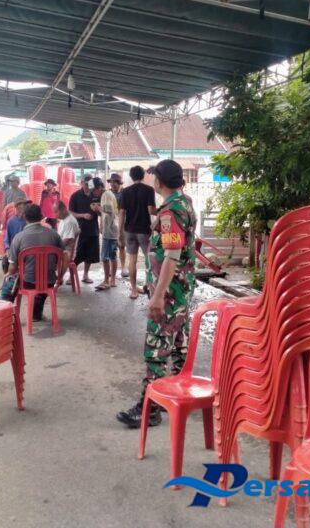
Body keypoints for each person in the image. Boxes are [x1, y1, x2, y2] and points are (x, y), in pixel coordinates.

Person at [117, 160, 196, 429]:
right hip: (182, 289)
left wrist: (159, 295)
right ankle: (176, 396)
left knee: (156, 347)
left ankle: (149, 408)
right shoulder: (185, 203)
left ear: (159, 182)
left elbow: (172, 256)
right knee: (178, 344)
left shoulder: (170, 212)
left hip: (170, 293)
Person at [5, 204, 66, 321]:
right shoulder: (54, 234)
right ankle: (36, 314)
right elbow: (66, 256)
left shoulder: (18, 237)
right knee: (43, 283)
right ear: (41, 216)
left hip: (28, 282)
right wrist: (60, 277)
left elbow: (12, 267)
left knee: (9, 281)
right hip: (49, 281)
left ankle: (6, 315)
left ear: (25, 217)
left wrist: (8, 274)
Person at [118, 165, 156, 299]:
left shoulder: (125, 191)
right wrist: (162, 210)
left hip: (129, 230)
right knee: (148, 260)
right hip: (144, 230)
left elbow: (122, 212)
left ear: (131, 176)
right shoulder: (149, 190)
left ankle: (133, 290)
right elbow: (151, 210)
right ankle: (149, 287)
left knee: (132, 260)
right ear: (143, 176)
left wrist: (120, 232)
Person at [68, 174, 100, 283]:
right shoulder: (75, 196)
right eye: (85, 184)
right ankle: (71, 276)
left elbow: (100, 212)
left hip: (93, 228)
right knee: (78, 253)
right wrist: (83, 215)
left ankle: (86, 275)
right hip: (80, 229)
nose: (87, 186)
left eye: (89, 184)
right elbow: (70, 212)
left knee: (91, 254)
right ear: (81, 183)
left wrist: (98, 210)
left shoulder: (95, 195)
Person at [96, 177, 119, 291]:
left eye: (95, 190)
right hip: (112, 229)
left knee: (105, 257)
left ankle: (106, 280)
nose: (95, 193)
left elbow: (108, 209)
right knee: (112, 256)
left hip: (110, 230)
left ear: (100, 187)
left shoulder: (106, 195)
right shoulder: (109, 194)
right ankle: (112, 280)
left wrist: (98, 208)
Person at [108, 173, 127, 278]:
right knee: (111, 247)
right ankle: (112, 268)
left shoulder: (124, 193)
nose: (113, 184)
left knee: (121, 246)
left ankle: (123, 267)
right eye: (112, 182)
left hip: (122, 222)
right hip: (110, 223)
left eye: (115, 182)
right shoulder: (107, 194)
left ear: (119, 183)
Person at [2, 199, 28, 274]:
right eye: (20, 207)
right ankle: (8, 278)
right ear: (16, 208)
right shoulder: (11, 221)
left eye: (24, 206)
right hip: (15, 248)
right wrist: (7, 249)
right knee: (5, 261)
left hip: (26, 247)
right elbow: (7, 239)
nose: (22, 209)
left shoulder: (28, 220)